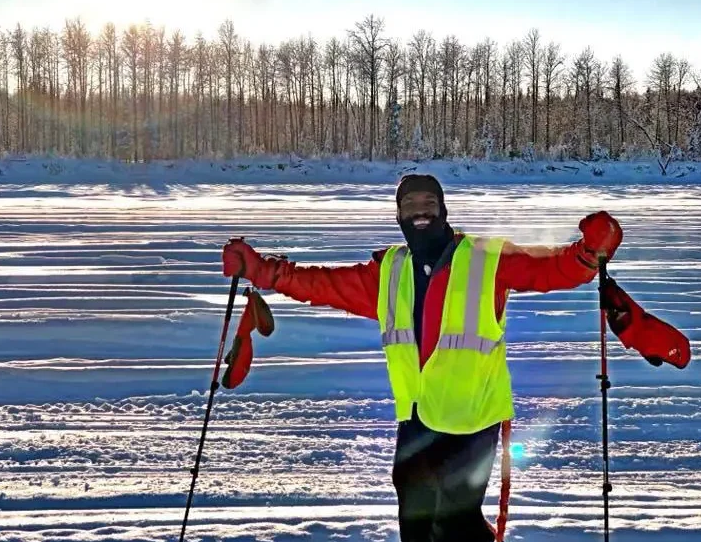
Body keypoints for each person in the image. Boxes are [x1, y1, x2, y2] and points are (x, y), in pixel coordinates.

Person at [221, 174, 622, 541]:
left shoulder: (484, 258)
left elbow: (549, 269)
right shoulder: (390, 271)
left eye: (429, 203)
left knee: (456, 521)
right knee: (414, 520)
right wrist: (264, 272)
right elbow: (322, 284)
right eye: (410, 204)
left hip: (472, 418)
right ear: (398, 214)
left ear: (443, 210)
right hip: (416, 417)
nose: (420, 212)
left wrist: (587, 254)